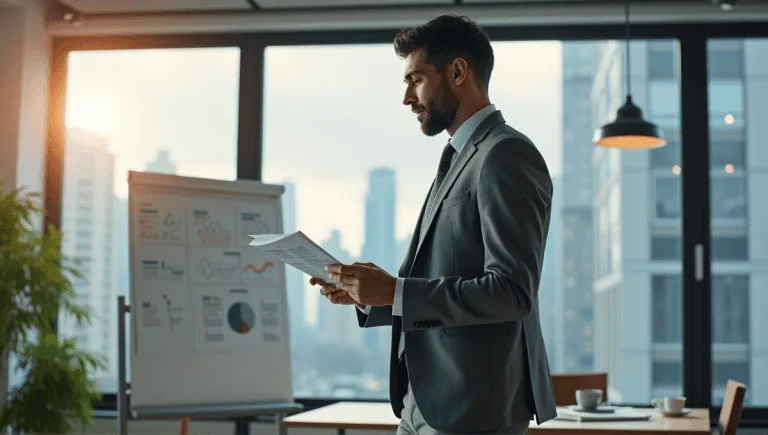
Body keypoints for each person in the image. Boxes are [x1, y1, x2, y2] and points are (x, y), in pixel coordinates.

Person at [309, 14, 557, 435]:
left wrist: (397, 290)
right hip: (424, 402)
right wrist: (370, 295)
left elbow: (512, 292)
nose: (407, 97)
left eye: (416, 79)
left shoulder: (505, 154)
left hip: (472, 410)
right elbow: (443, 279)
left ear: (458, 71)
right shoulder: (461, 158)